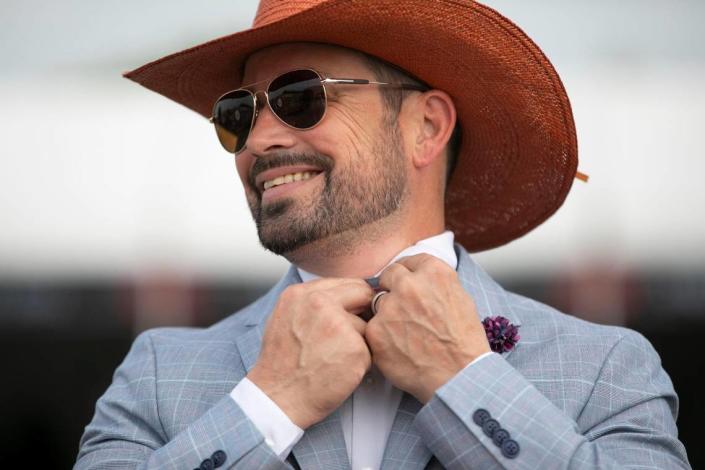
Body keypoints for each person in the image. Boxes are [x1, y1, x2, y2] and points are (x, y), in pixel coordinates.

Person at [76, 1, 691, 469]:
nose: (259, 142)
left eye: (300, 97)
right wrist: (270, 404)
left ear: (426, 127)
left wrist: (466, 380)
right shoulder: (156, 374)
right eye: (239, 115)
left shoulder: (608, 369)